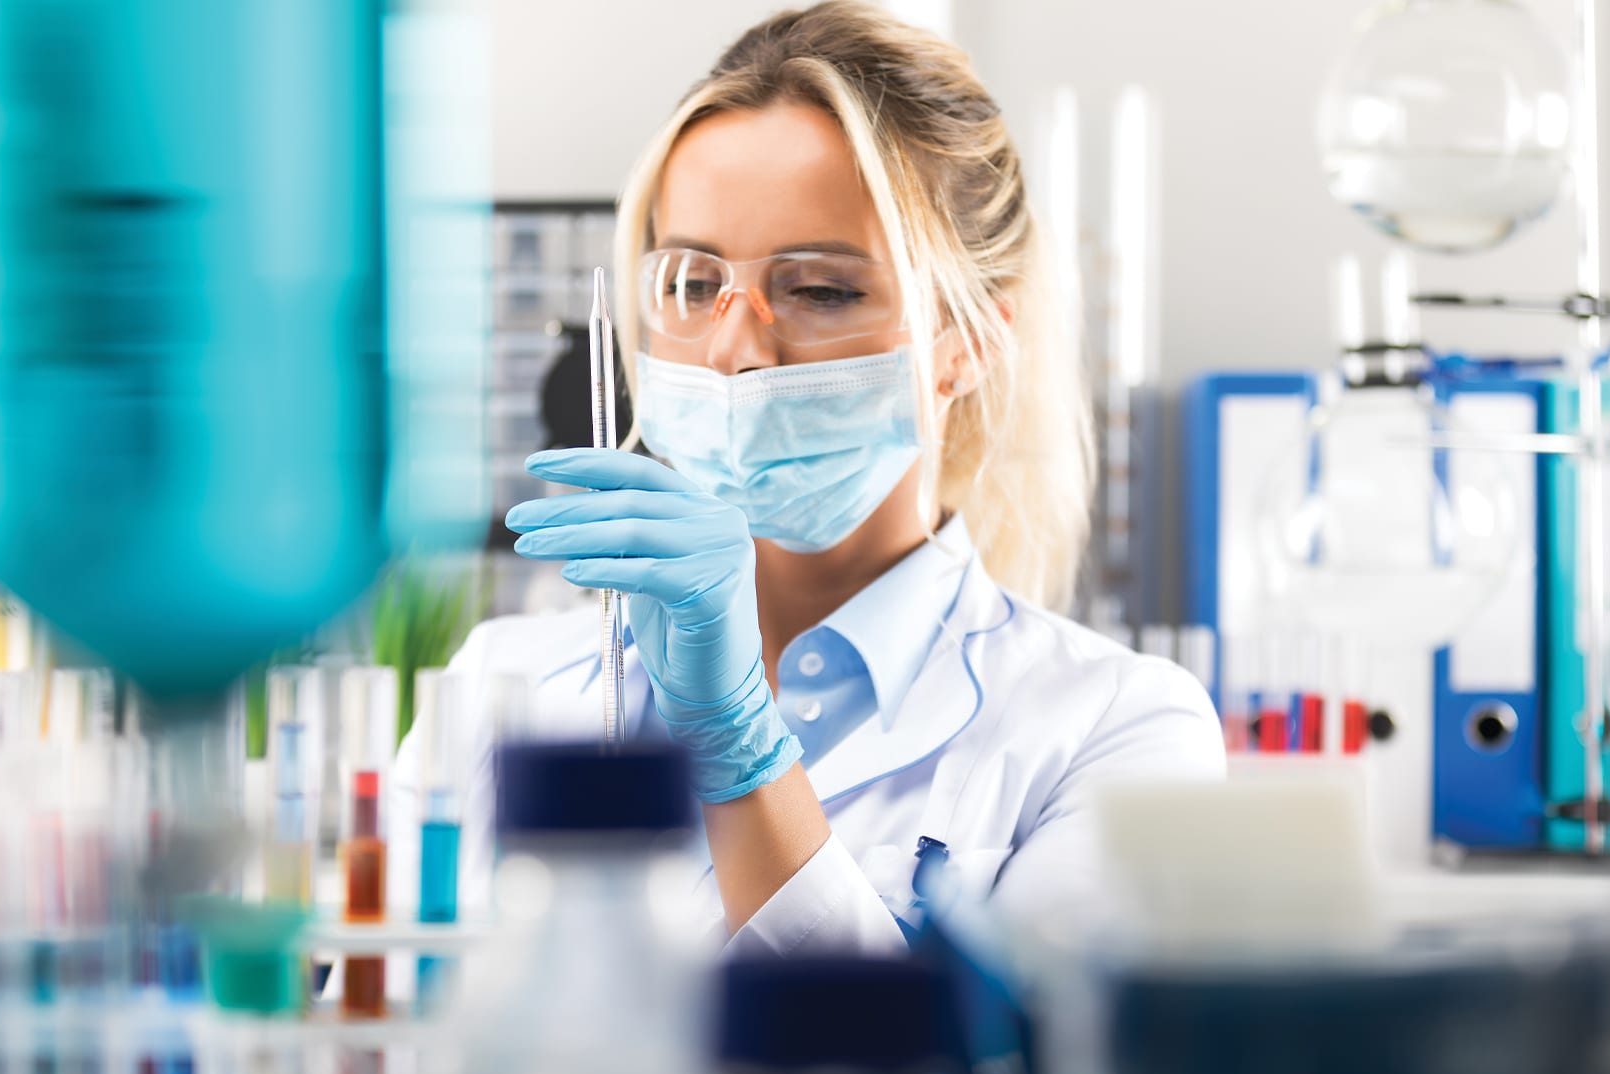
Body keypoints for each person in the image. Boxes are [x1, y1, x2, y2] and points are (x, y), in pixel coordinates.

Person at [390, 0, 1223, 954]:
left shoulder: (1113, 729)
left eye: (822, 289)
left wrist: (737, 742)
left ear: (968, 346)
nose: (735, 351)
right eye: (694, 287)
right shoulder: (505, 682)